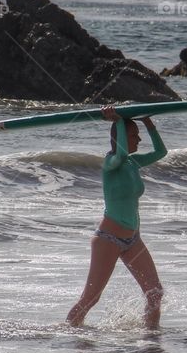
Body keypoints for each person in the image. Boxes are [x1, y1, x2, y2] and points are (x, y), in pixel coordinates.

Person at [66, 106, 167, 329]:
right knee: (90, 299)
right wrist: (119, 121)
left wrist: (149, 125)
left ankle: (151, 340)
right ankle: (68, 333)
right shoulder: (110, 163)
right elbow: (120, 154)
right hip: (108, 239)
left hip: (133, 239)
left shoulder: (133, 163)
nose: (139, 139)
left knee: (154, 293)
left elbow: (161, 153)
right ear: (119, 137)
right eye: (134, 135)